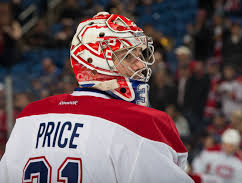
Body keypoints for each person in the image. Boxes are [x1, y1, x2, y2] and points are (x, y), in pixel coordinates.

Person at [0, 12, 194, 183]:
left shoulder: (29, 117)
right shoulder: (140, 123)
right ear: (95, 61)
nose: (141, 65)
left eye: (139, 55)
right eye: (127, 57)